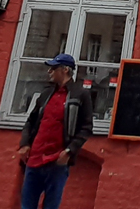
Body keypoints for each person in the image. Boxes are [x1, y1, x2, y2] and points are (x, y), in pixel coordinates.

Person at [17, 54, 94, 209]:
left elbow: (86, 127)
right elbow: (31, 121)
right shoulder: (46, 94)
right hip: (35, 157)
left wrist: (69, 151)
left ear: (65, 70)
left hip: (57, 160)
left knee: (51, 205)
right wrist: (25, 144)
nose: (49, 72)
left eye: (53, 68)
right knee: (27, 205)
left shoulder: (80, 94)